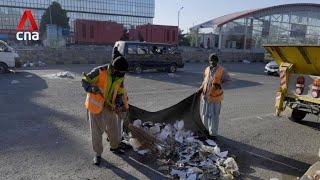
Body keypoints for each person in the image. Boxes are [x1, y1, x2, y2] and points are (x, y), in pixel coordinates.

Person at [82, 56, 129, 166]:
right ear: (114, 68)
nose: (123, 74)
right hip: (96, 106)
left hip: (109, 106)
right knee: (97, 132)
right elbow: (84, 81)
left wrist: (117, 104)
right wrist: (92, 89)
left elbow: (120, 92)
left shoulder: (120, 77)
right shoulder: (99, 71)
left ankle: (114, 147)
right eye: (121, 72)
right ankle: (98, 154)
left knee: (114, 129)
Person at [198, 54, 231, 139]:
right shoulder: (207, 69)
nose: (212, 62)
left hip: (215, 98)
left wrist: (220, 86)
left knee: (214, 116)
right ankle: (205, 132)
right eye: (211, 60)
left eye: (214, 60)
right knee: (204, 115)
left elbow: (228, 81)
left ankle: (213, 134)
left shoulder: (222, 70)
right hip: (206, 97)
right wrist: (200, 89)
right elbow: (205, 81)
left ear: (217, 61)